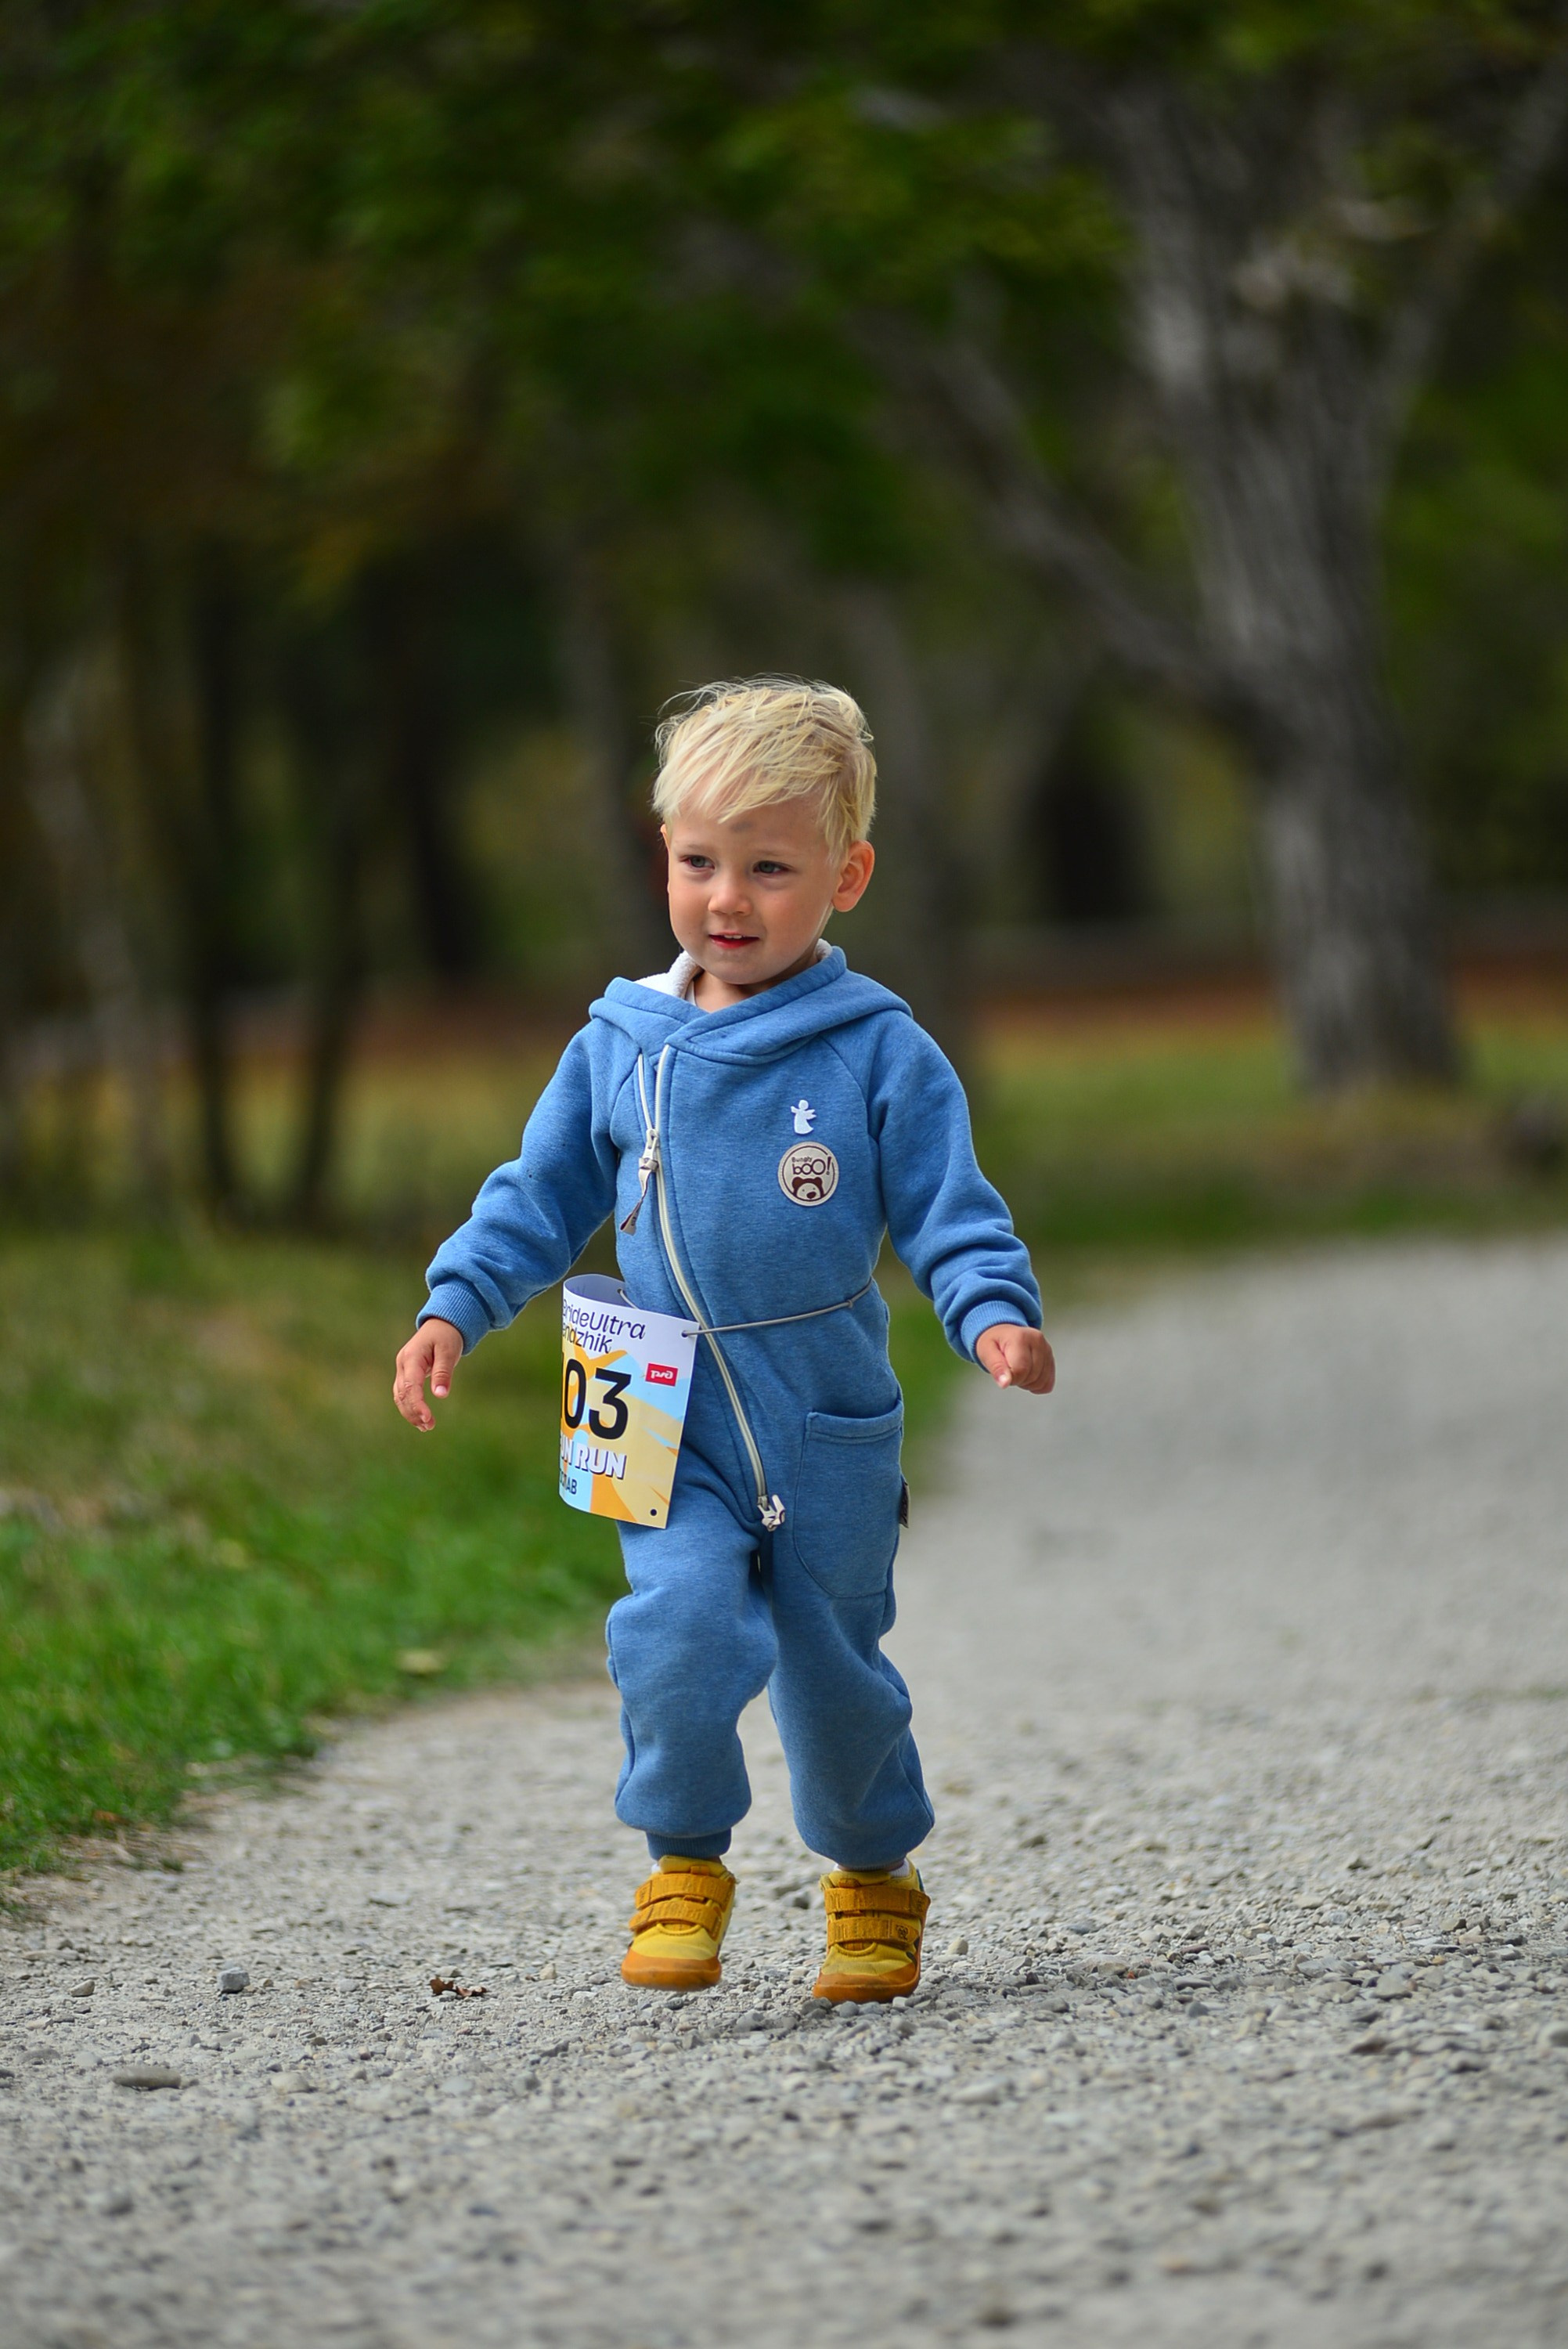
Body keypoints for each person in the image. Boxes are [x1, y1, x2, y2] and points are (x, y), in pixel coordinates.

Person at [393, 678, 1054, 2003]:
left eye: (768, 868)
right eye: (699, 863)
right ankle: (680, 1867)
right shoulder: (619, 1043)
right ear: (666, 861)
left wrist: (993, 1315)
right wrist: (454, 1303)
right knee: (676, 1629)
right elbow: (539, 1195)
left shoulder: (880, 1053)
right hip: (651, 1402)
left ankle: (874, 1880)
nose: (727, 900)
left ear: (847, 876)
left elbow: (948, 1212)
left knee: (833, 1670)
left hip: (822, 1416)